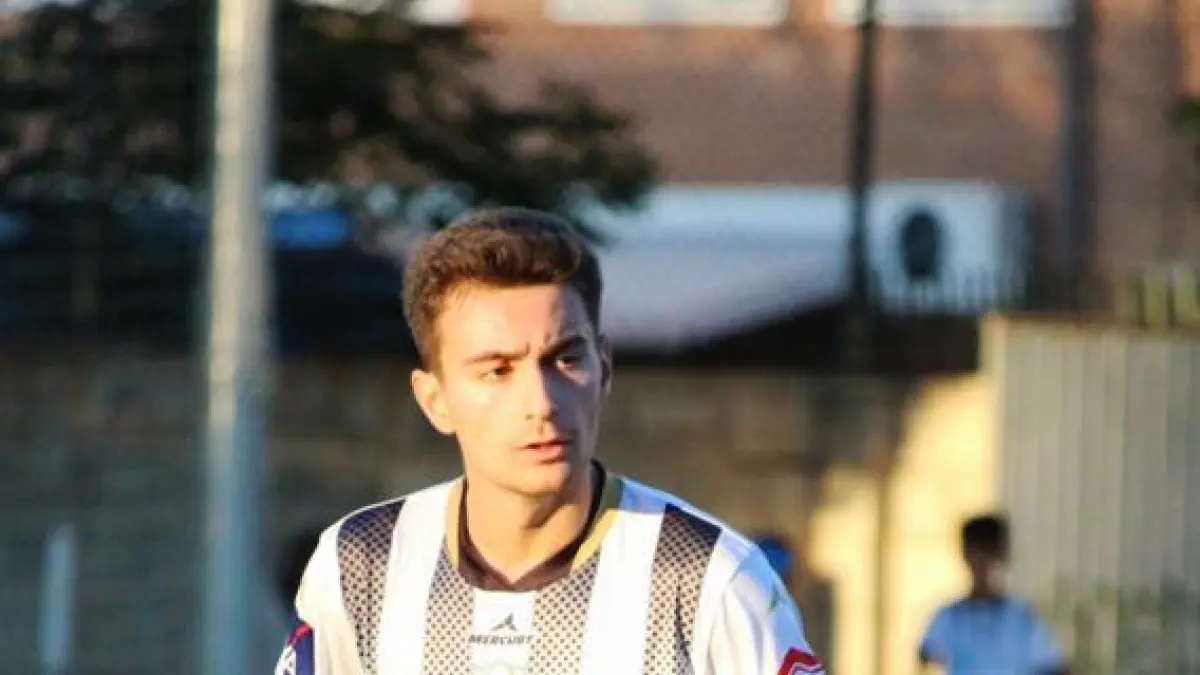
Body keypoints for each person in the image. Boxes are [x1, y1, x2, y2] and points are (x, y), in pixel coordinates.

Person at [275, 208, 824, 675]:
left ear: (604, 368)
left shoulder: (710, 577)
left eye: (564, 359)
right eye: (497, 370)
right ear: (434, 399)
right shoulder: (359, 566)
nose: (540, 401)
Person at [918, 514, 1068, 675]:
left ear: (1001, 556)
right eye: (976, 553)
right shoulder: (951, 617)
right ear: (966, 556)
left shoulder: (1020, 619)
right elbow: (927, 660)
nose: (982, 563)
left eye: (988, 553)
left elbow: (1053, 666)